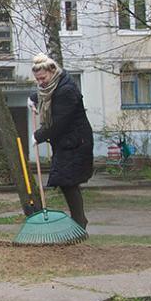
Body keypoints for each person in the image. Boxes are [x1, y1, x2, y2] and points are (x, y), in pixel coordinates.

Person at [29, 53, 94, 229]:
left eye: (43, 78)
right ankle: (79, 222)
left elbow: (59, 123)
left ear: (52, 71)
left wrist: (38, 135)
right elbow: (43, 93)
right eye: (37, 79)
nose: (40, 82)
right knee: (67, 181)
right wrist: (33, 98)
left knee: (68, 180)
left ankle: (79, 224)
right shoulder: (55, 85)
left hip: (76, 142)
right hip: (67, 141)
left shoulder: (67, 90)